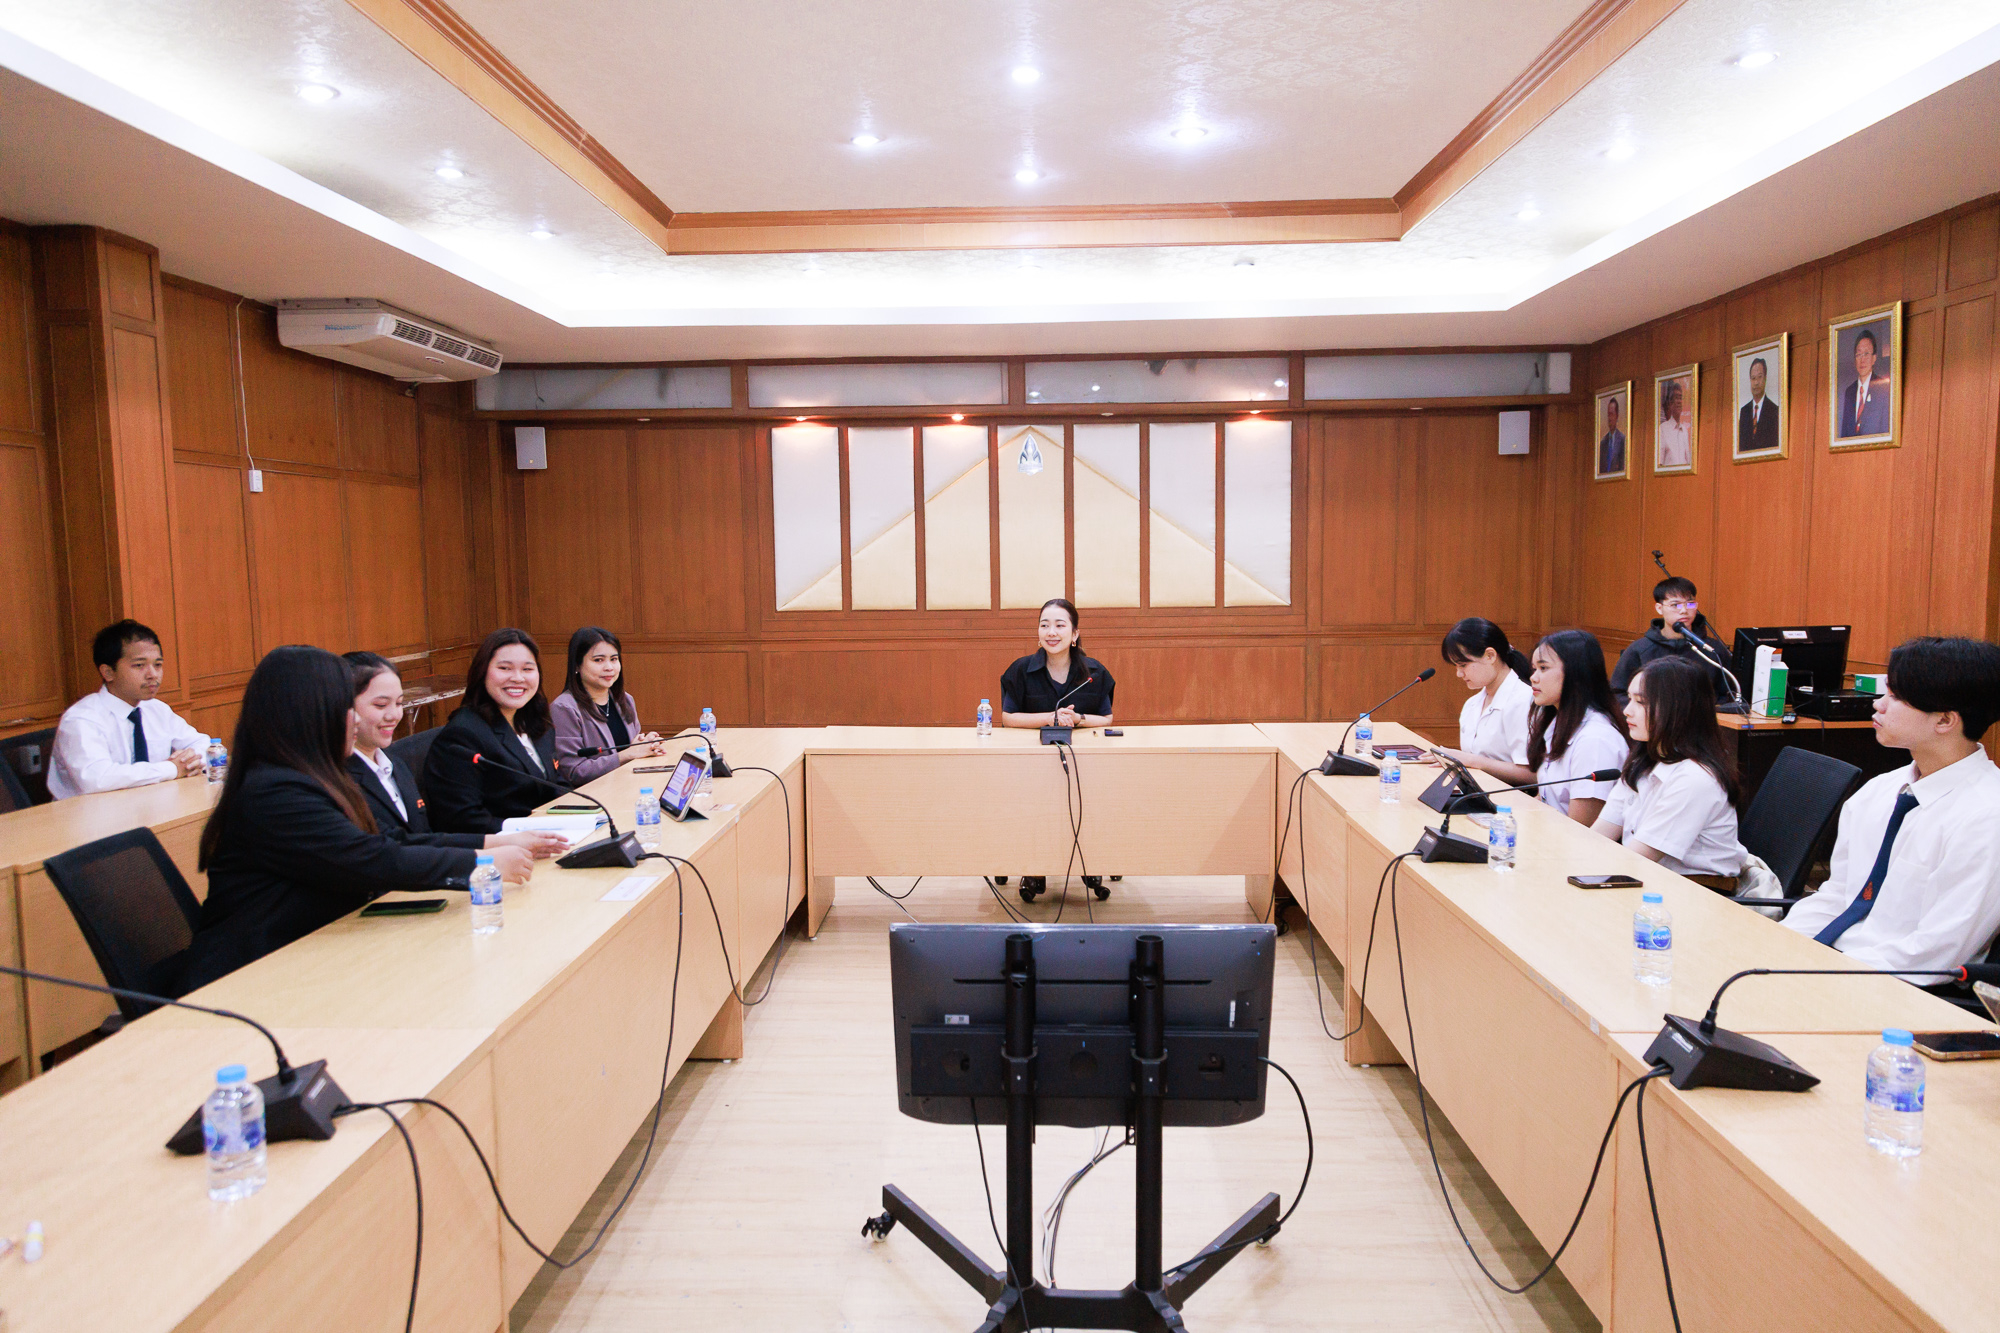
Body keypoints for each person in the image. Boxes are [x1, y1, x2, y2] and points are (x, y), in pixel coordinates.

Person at [178, 646, 534, 993]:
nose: (356, 719)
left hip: (309, 956)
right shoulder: (276, 791)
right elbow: (372, 859)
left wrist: (490, 844)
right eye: (346, 707)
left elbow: (388, 841)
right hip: (248, 979)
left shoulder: (311, 777)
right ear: (308, 713)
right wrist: (480, 864)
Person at [1783, 637, 2000, 975]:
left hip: (1898, 982)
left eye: (1896, 697)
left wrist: (1818, 974)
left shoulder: (1986, 817)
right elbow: (1838, 897)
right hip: (1835, 963)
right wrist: (1777, 946)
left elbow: (1935, 952)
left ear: (1944, 720)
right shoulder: (1880, 791)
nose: (1878, 705)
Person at [344, 652, 565, 859]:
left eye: (399, 703)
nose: (394, 715)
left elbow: (425, 838)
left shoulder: (395, 764)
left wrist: (503, 843)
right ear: (342, 706)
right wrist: (488, 852)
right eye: (381, 705)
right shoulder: (339, 779)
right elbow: (393, 848)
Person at [1592, 658, 1747, 886]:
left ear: (1677, 710)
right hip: (1652, 880)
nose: (1627, 711)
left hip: (1699, 892)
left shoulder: (1695, 778)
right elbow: (1597, 838)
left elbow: (1637, 859)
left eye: (1640, 702)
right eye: (1629, 699)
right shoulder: (1643, 762)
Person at [1000, 599, 1116, 900]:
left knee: (1086, 801)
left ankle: (1089, 857)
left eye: (1060, 625)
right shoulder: (1021, 670)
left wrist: (1077, 719)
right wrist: (1050, 718)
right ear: (1038, 633)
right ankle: (1035, 866)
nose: (1051, 632)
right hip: (1030, 767)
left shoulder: (1094, 672)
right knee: (1036, 807)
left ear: (1074, 633)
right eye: (1045, 625)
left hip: (1083, 766)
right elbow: (1008, 718)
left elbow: (1106, 719)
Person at [423, 629, 567, 835]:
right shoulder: (463, 735)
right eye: (505, 668)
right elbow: (462, 820)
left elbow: (553, 782)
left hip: (551, 835)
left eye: (527, 669)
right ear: (482, 672)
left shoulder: (537, 722)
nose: (517, 678)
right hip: (501, 845)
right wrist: (529, 831)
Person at [47, 619, 207, 800]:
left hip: (153, 807)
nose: (153, 674)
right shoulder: (81, 719)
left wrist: (190, 760)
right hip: (94, 814)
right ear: (108, 672)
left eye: (157, 665)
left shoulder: (157, 709)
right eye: (139, 665)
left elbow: (205, 744)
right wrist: (171, 768)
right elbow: (96, 779)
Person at [1526, 630, 1630, 825]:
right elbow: (1546, 798)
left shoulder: (1595, 739)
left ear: (1575, 673)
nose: (1533, 677)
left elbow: (1581, 828)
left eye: (1543, 668)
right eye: (1534, 669)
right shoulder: (1556, 722)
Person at [549, 628, 665, 784]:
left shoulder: (625, 700)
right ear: (577, 665)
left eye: (614, 659)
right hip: (593, 796)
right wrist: (628, 754)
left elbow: (632, 751)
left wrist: (647, 746)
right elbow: (574, 771)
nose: (609, 667)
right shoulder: (564, 708)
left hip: (629, 787)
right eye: (598, 660)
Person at [1430, 618, 1535, 782]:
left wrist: (1471, 761)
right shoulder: (1472, 704)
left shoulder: (1523, 700)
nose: (1459, 674)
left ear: (1490, 656)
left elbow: (1532, 775)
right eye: (1456, 666)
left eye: (1463, 665)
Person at [1609, 576, 1735, 707]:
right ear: (1659, 608)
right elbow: (1618, 693)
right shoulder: (1641, 648)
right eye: (1675, 605)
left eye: (1690, 604)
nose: (1684, 610)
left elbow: (1729, 695)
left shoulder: (1712, 650)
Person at [1837, 328, 1892, 438]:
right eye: (1858, 354)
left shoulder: (1884, 389)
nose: (1862, 360)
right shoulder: (1850, 392)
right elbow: (1844, 434)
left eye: (1866, 354)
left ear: (1874, 358)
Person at [1738, 356, 1779, 454]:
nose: (1756, 382)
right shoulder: (1744, 411)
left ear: (1765, 378)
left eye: (1759, 377)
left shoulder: (1774, 410)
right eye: (1753, 378)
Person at [1656, 378, 1692, 470]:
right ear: (1670, 403)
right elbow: (1659, 464)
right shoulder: (1662, 429)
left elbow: (1688, 462)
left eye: (1680, 398)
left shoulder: (1684, 431)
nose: (1679, 401)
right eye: (1676, 398)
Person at [1597, 395, 1626, 476]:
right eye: (1608, 414)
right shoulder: (1603, 442)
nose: (1609, 418)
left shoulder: (1622, 440)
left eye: (1612, 414)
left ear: (1617, 416)